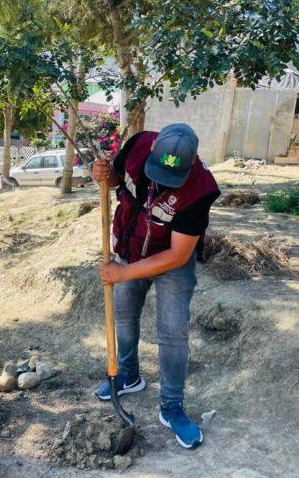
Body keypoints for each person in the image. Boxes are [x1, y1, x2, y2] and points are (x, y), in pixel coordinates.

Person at [92, 123, 220, 449]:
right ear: (152, 151)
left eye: (172, 177)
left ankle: (172, 405)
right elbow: (116, 181)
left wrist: (124, 273)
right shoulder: (138, 144)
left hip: (171, 264)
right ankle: (128, 376)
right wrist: (103, 176)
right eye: (159, 171)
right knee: (123, 316)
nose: (162, 180)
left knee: (173, 333)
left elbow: (178, 255)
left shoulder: (200, 189)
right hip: (130, 247)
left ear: (192, 163)